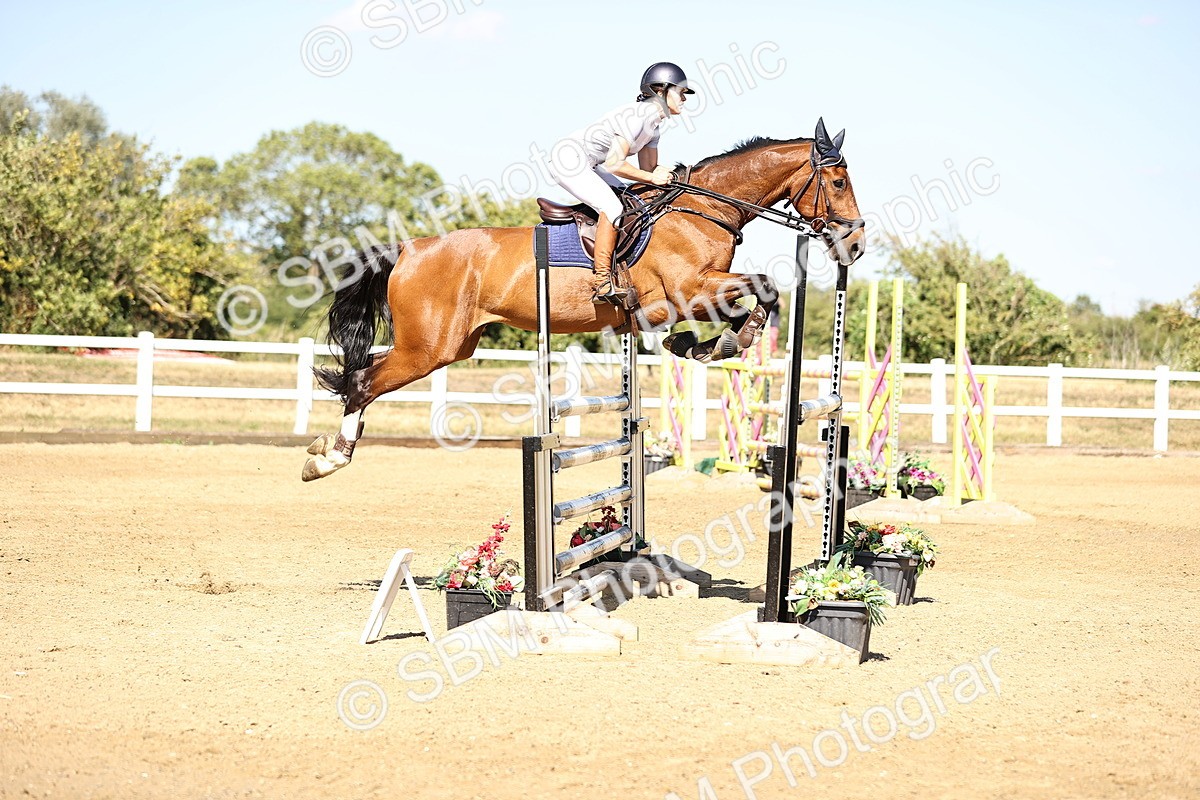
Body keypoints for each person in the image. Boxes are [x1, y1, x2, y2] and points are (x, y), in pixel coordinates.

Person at [547, 62, 695, 305]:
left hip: (592, 163)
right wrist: (652, 177)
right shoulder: (637, 116)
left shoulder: (654, 127)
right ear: (660, 89)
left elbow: (648, 169)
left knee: (632, 200)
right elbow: (616, 164)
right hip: (569, 159)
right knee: (613, 208)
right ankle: (602, 281)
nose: (684, 98)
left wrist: (670, 176)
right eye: (680, 91)